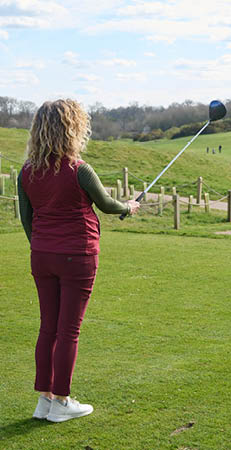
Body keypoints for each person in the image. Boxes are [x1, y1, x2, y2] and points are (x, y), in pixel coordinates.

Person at [18, 99, 140, 423]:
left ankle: (44, 400)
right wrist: (128, 207)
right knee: (68, 330)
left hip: (41, 256)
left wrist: (44, 246)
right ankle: (61, 401)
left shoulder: (27, 171)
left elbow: (26, 219)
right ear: (72, 129)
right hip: (78, 256)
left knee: (48, 328)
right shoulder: (79, 169)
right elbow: (107, 204)